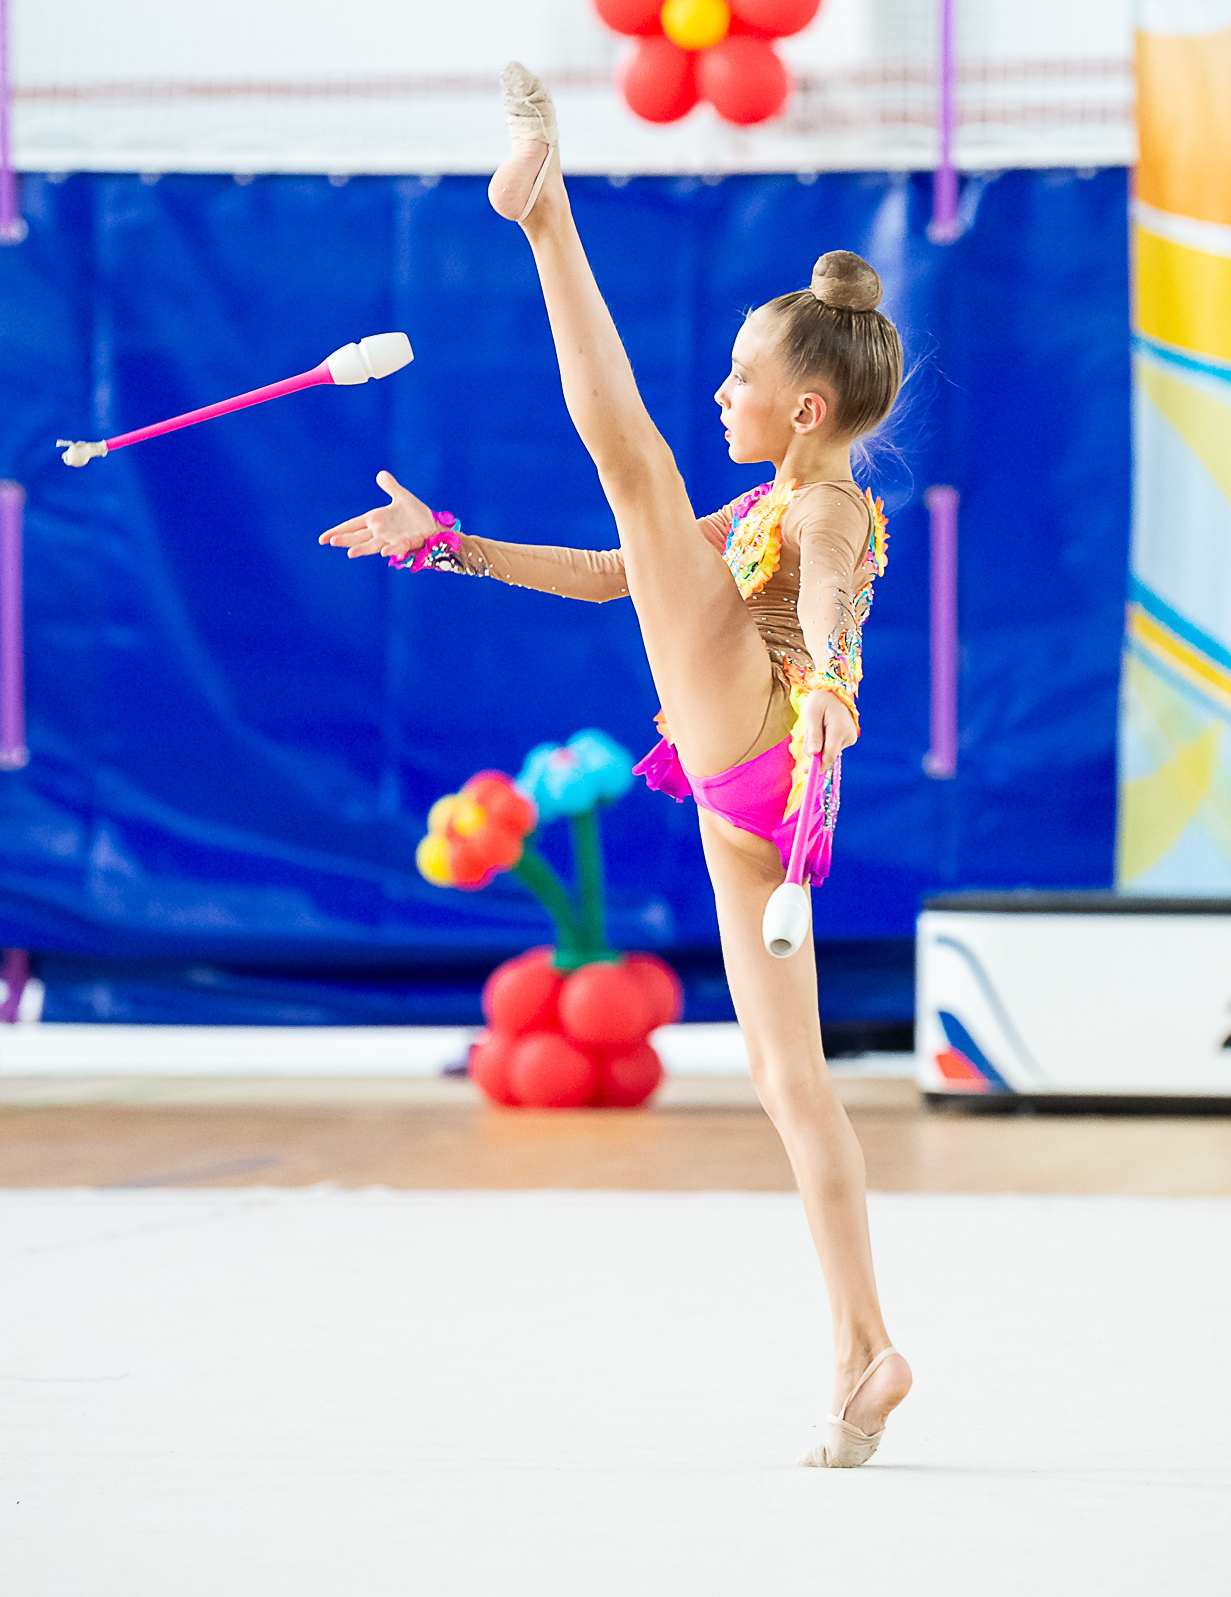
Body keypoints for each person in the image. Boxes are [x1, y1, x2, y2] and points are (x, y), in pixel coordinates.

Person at [316, 64, 912, 1468]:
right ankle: (861, 1350)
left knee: (631, 461)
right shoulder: (770, 497)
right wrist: (451, 543)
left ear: (810, 407)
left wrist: (825, 689)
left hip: (769, 731)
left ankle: (545, 218)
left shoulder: (826, 504)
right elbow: (608, 578)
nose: (722, 393)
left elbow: (824, 601)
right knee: (790, 1081)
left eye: (744, 379)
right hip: (740, 796)